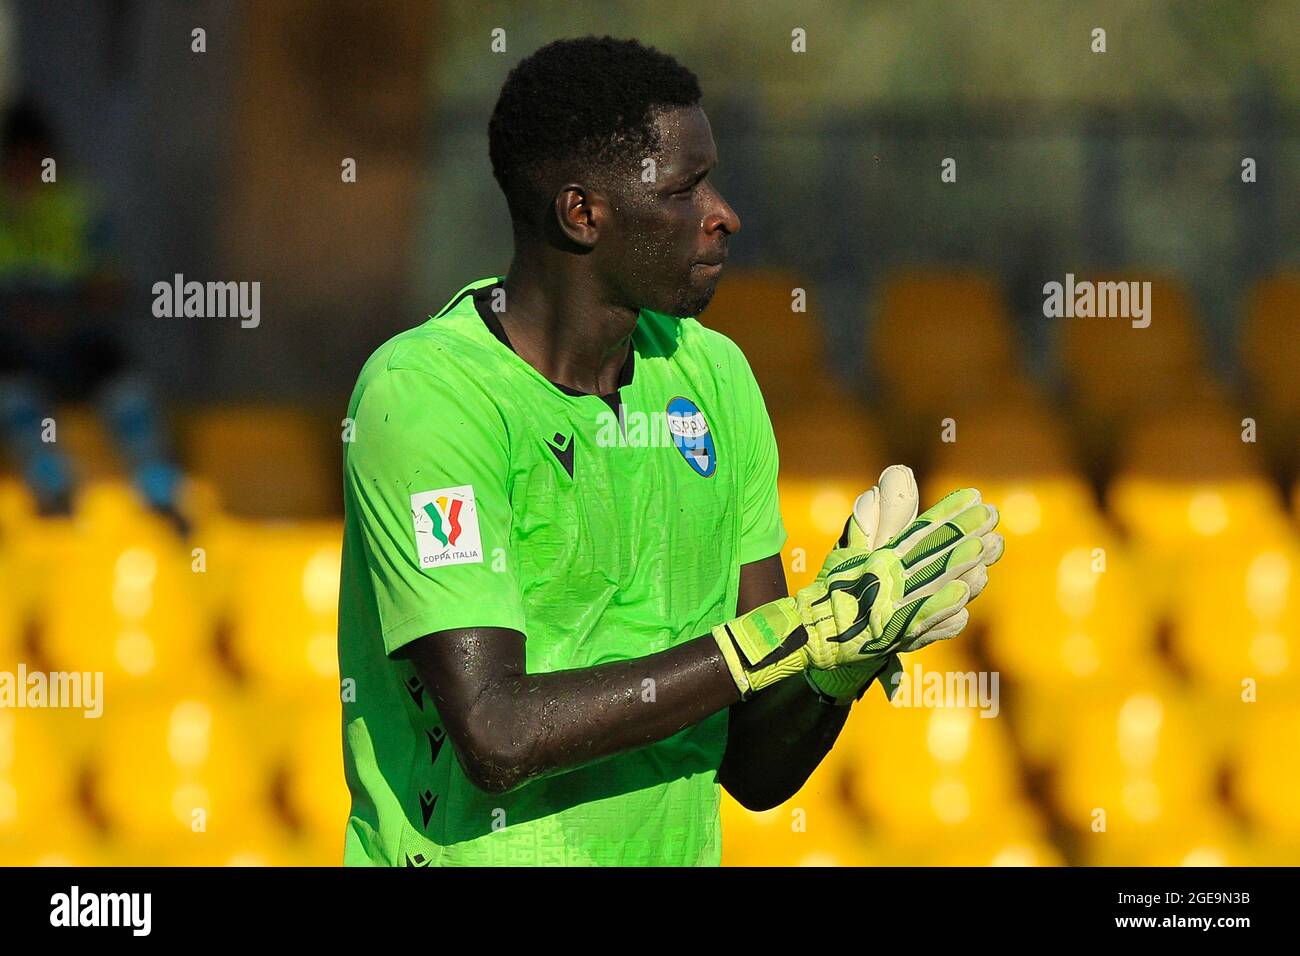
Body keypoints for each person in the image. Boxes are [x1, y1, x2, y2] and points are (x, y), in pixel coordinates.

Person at [337, 36, 1003, 866]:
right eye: (685, 190)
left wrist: (838, 659)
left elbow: (755, 768)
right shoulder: (429, 395)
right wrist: (786, 637)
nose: (724, 213)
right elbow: (497, 733)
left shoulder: (714, 377)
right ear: (583, 213)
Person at [0, 98, 187, 532]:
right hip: (13, 345)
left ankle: (160, 494)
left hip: (73, 338)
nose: (27, 173)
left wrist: (67, 311)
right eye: (18, 163)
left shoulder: (79, 206)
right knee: (12, 393)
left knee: (124, 385)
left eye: (36, 161)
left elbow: (111, 287)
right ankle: (53, 492)